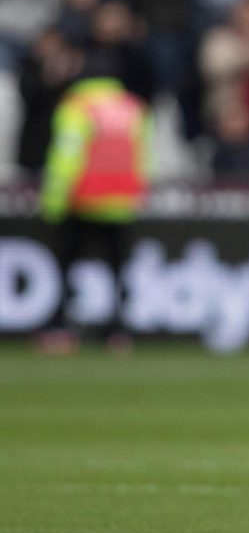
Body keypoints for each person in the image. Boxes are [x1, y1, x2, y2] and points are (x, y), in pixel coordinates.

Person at [38, 67, 151, 346]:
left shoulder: (78, 106)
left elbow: (67, 153)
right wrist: (138, 193)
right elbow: (145, 155)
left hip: (83, 199)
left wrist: (53, 199)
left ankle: (62, 326)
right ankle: (119, 330)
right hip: (121, 201)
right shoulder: (133, 107)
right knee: (118, 268)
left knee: (67, 265)